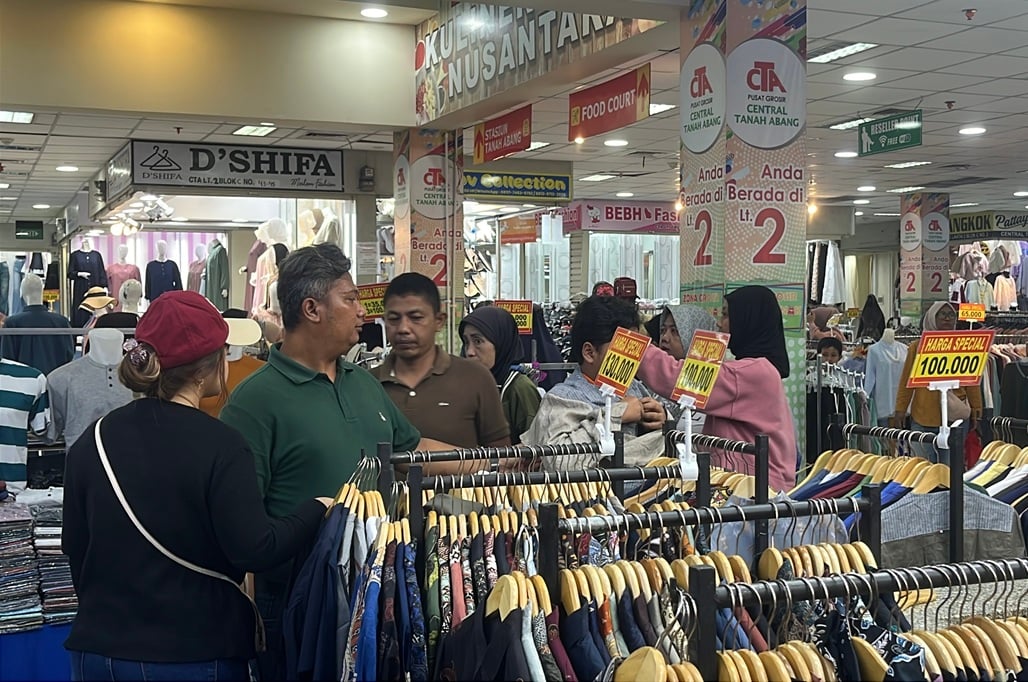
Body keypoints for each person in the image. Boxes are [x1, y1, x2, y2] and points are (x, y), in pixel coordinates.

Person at [62, 291, 330, 681]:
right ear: (213, 365)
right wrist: (317, 508)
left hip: (99, 652)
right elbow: (255, 548)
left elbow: (76, 550)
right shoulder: (223, 444)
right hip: (194, 652)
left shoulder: (94, 439)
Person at [219, 244, 451, 680]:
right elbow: (243, 530)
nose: (363, 312)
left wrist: (493, 466)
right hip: (297, 599)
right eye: (350, 299)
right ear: (312, 309)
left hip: (381, 590)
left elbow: (410, 451)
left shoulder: (360, 380)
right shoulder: (254, 402)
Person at [636, 285, 798, 492]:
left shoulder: (754, 373)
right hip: (742, 484)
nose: (719, 323)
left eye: (726, 315)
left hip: (753, 492)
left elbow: (679, 379)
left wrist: (637, 347)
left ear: (747, 320)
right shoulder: (754, 369)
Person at [523, 295, 667, 467]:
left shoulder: (635, 389)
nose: (632, 357)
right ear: (590, 353)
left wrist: (661, 419)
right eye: (623, 348)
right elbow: (559, 462)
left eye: (634, 347)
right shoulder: (560, 400)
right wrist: (616, 416)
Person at [372, 273, 510, 448]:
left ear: (439, 321)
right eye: (393, 319)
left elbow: (499, 456)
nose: (403, 328)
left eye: (416, 318)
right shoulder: (368, 385)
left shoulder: (475, 379)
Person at [894, 301, 982, 463]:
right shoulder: (917, 347)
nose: (947, 319)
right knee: (923, 466)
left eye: (951, 315)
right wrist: (900, 409)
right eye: (942, 314)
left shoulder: (963, 345)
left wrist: (976, 407)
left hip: (955, 416)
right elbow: (907, 381)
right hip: (923, 415)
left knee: (949, 468)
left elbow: (972, 380)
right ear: (932, 317)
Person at [460, 305, 542, 444]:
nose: (469, 352)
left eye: (478, 341)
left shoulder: (519, 388)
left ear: (500, 343)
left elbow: (535, 445)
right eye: (466, 342)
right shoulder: (467, 384)